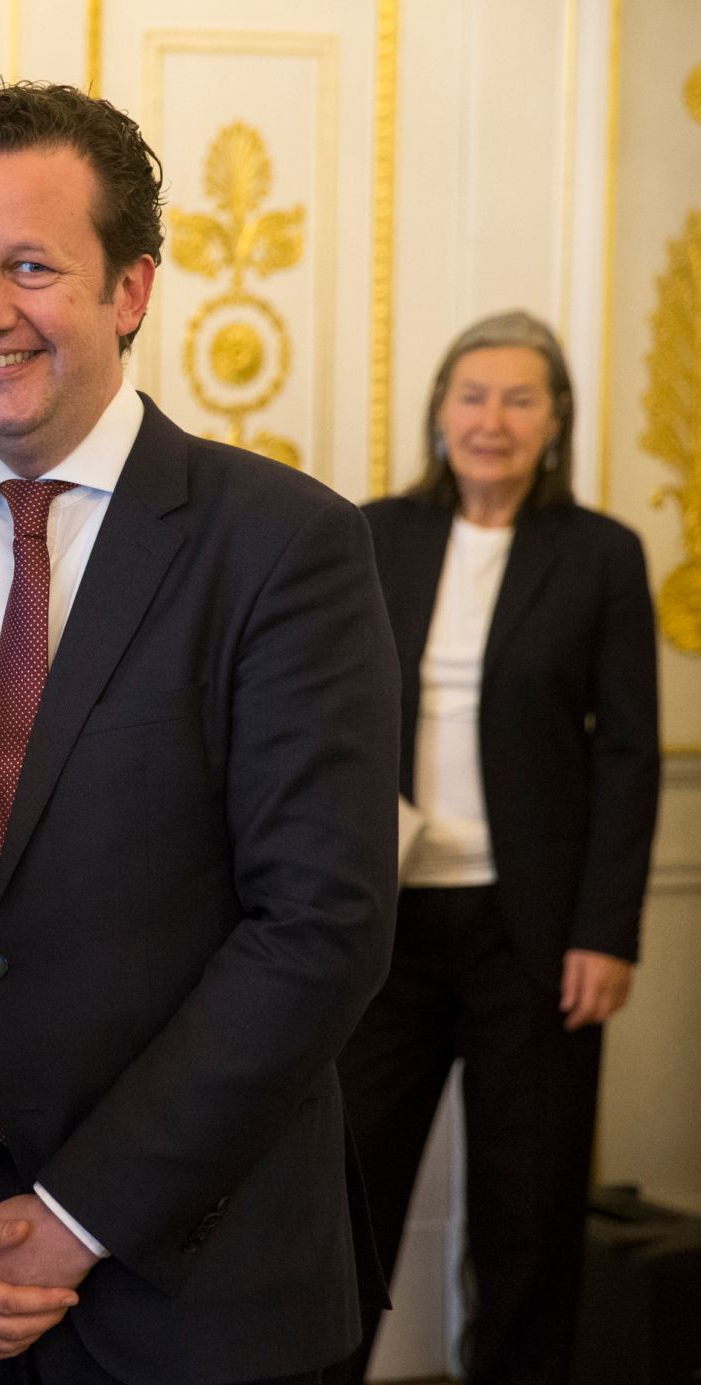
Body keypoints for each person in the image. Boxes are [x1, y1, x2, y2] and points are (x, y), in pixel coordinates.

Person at [0, 81, 401, 1385]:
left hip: (201, 1302)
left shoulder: (283, 547)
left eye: (32, 265)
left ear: (132, 287)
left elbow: (320, 927)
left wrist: (77, 1219)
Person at [332, 311, 661, 1385]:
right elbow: (318, 715)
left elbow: (625, 754)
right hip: (385, 925)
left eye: (521, 398)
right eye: (472, 394)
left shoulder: (599, 554)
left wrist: (605, 932)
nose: (492, 418)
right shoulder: (372, 534)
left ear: (554, 420)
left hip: (534, 932)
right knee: (348, 1194)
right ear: (436, 410)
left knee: (527, 1211)